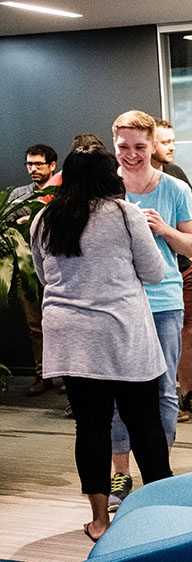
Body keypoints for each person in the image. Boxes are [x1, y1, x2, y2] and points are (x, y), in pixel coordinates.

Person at [30, 145, 172, 542]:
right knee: (145, 424)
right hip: (122, 335)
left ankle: (99, 520)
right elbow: (155, 272)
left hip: (72, 340)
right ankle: (161, 514)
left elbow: (44, 276)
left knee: (90, 428)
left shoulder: (44, 218)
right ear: (111, 175)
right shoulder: (125, 214)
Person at [108, 110, 192, 511]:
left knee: (163, 389)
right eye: (123, 146)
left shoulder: (175, 189)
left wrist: (163, 229)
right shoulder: (106, 191)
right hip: (118, 305)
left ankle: (159, 473)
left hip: (163, 303)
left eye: (139, 146)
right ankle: (120, 474)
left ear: (152, 146)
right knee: (117, 391)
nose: (131, 154)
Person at [151, 117, 192, 420]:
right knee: (158, 336)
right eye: (166, 142)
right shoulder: (129, 181)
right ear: (150, 144)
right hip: (152, 275)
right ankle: (165, 398)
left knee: (190, 331)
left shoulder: (176, 175)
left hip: (183, 268)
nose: (172, 147)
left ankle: (189, 392)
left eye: (173, 141)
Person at [13, 144, 59, 396]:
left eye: (38, 164)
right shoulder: (18, 195)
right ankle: (43, 375)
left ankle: (69, 376)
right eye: (29, 164)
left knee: (62, 323)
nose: (33, 169)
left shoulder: (63, 192)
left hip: (58, 268)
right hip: (28, 268)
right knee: (35, 325)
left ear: (52, 165)